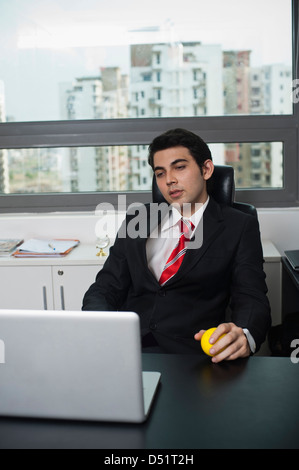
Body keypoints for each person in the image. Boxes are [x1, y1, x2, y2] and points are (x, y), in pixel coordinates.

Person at [82, 128, 271, 361]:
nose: (169, 179)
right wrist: (97, 327)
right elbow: (106, 287)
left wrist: (244, 334)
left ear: (206, 169)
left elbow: (251, 296)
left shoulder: (239, 226)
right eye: (160, 173)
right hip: (129, 349)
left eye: (179, 167)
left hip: (193, 356)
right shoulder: (138, 220)